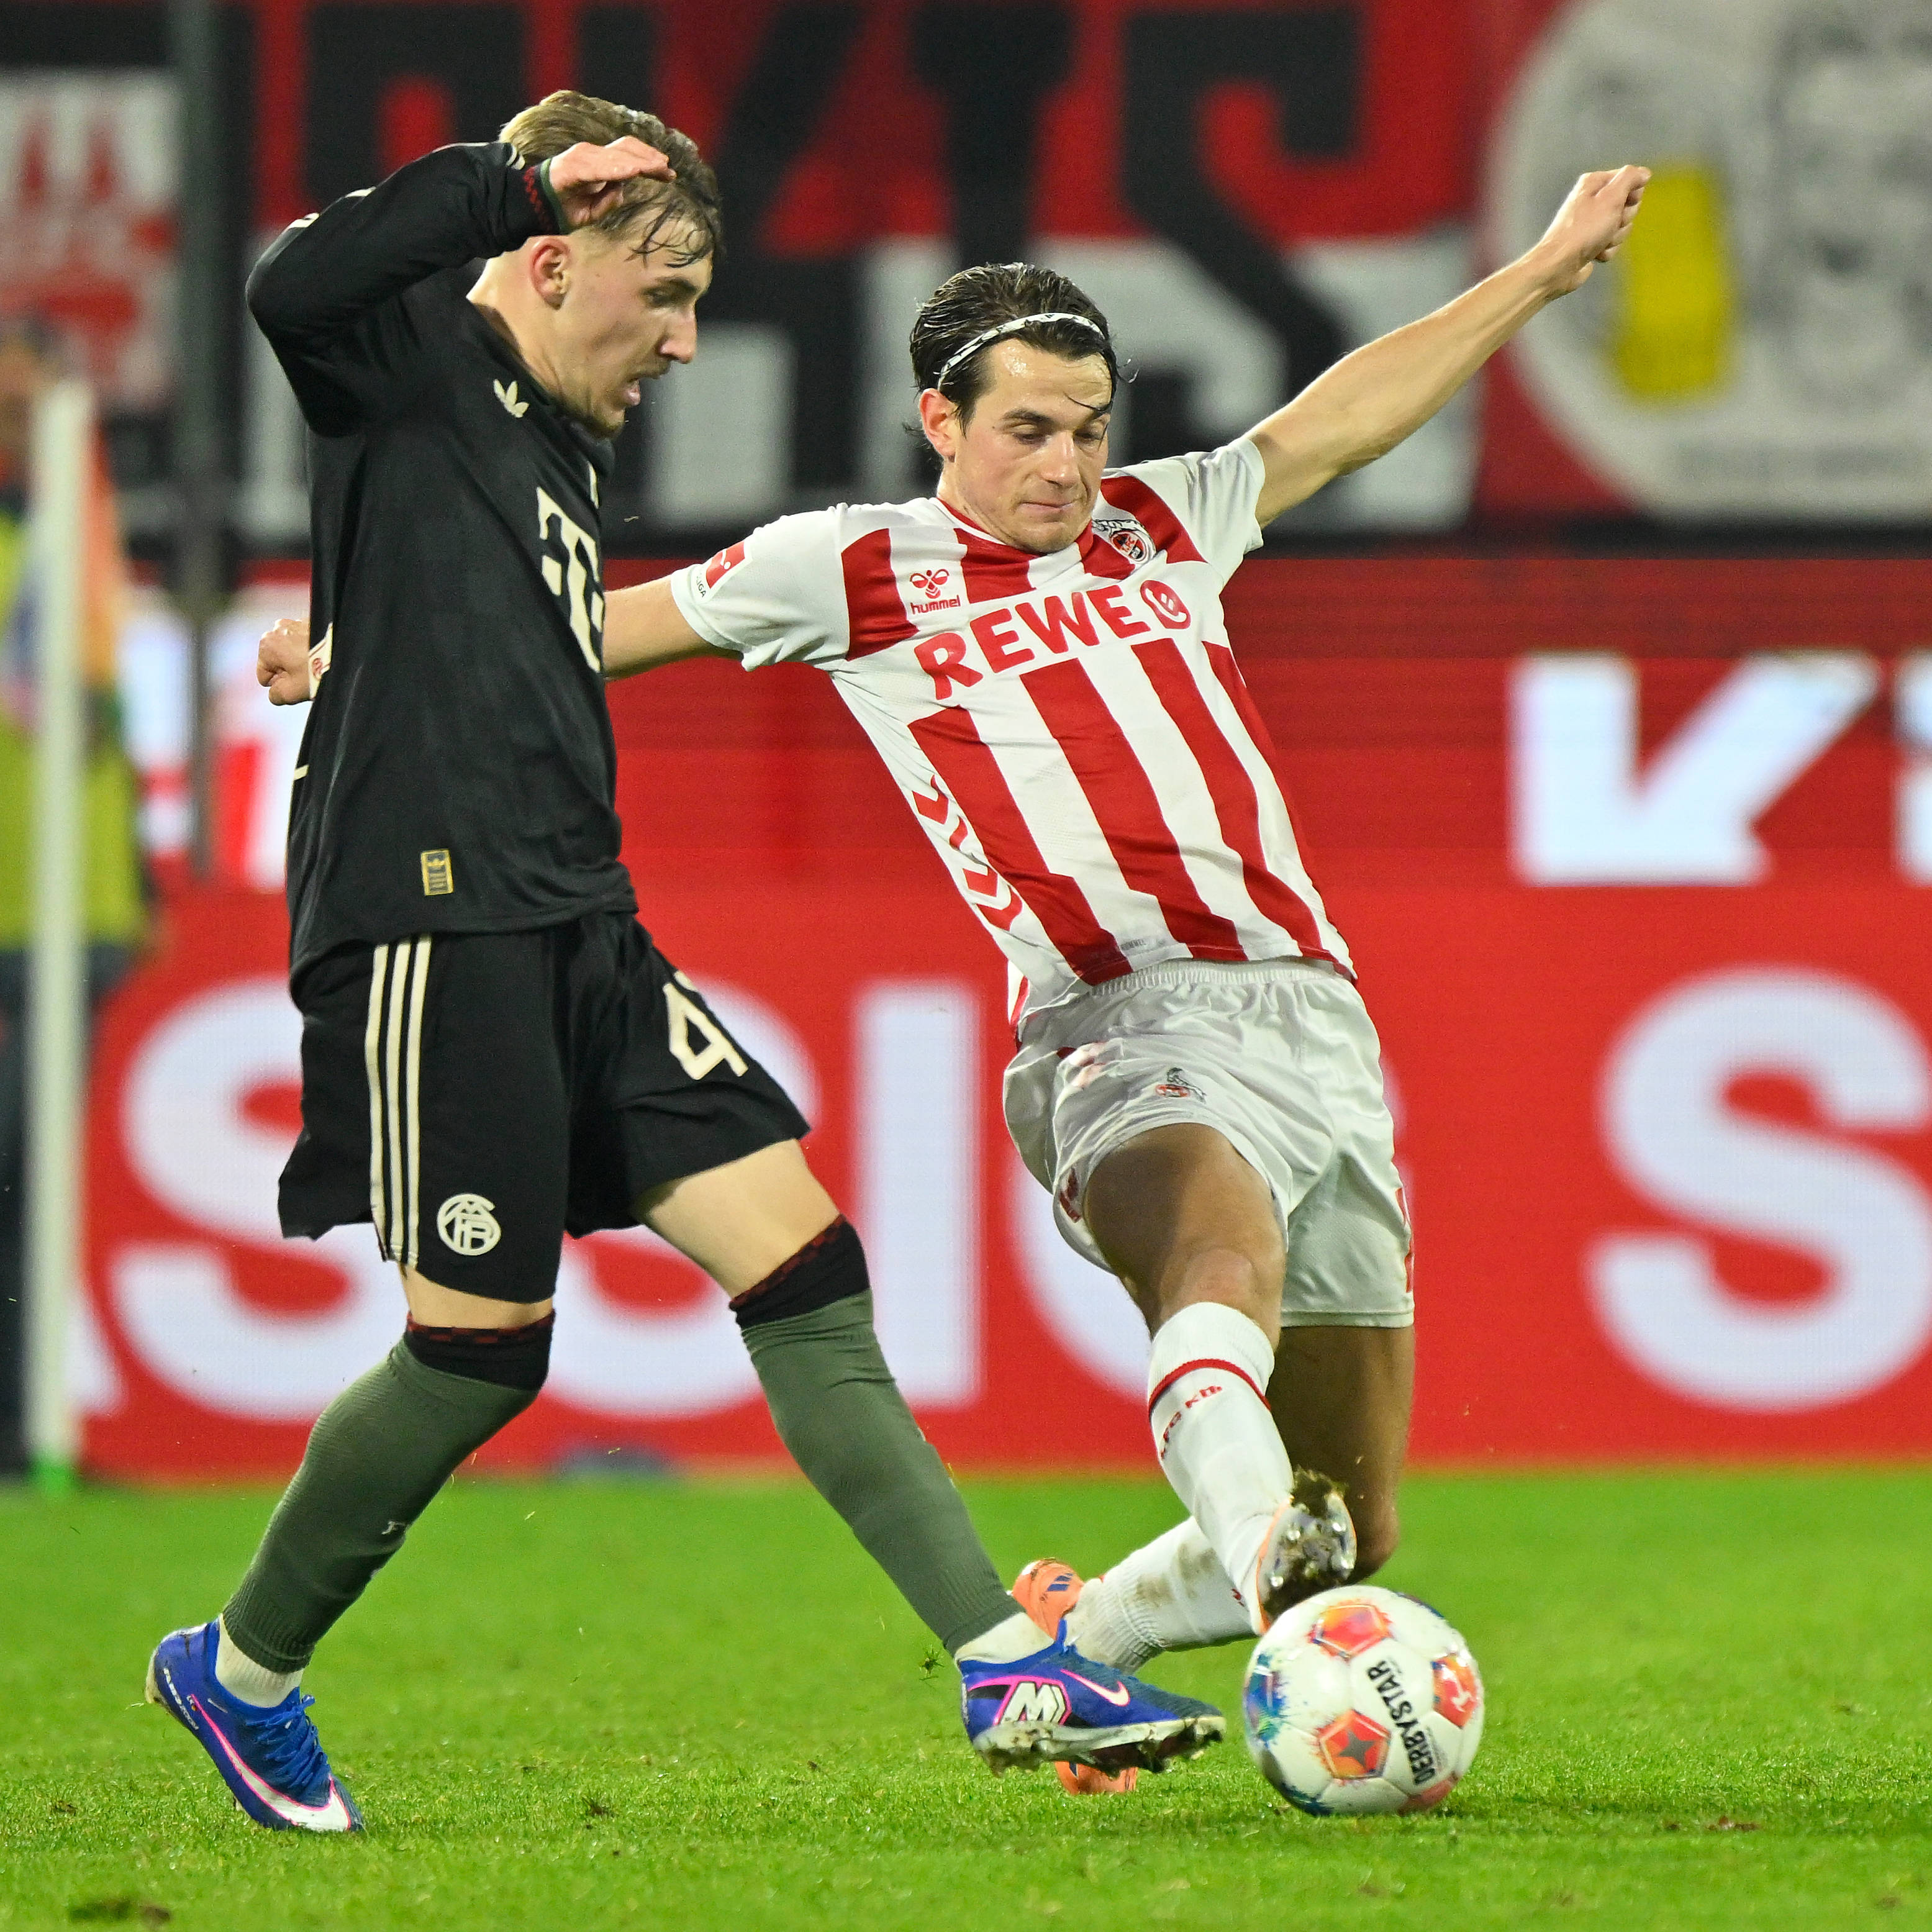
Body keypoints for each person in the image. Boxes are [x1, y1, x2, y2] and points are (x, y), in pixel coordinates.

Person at [258, 160, 1649, 1797]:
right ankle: (1257, 1584)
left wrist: (1541, 271)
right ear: (941, 421)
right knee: (1218, 1264)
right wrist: (346, 652)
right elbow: (576, 623)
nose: (1068, 465)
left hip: (1315, 1023)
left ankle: (1090, 1632)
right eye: (1030, 432)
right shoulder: (850, 566)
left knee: (1354, 1520)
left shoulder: (1163, 523)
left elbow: (1340, 420)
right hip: (1115, 1019)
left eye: (1091, 429)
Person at [149, 92, 1220, 1837]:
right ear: (548, 259)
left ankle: (1002, 1664)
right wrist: (501, 182)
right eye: (664, 296)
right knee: (476, 1354)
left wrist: (343, 646)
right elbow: (289, 286)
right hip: (435, 917)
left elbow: (481, 618)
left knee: (802, 1260)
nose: (685, 342)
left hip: (582, 918)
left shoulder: (555, 436)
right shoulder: (409, 361)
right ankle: (241, 1670)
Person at [0, 313, 148, 1474]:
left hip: (73, 908)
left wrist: (132, 883)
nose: (23, 433)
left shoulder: (83, 540)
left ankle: (27, 1426)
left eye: (37, 410)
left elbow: (106, 724)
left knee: (35, 1180)